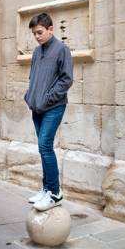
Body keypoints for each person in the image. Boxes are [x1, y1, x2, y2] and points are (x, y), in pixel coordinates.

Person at [23, 13, 73, 211]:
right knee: (42, 148)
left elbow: (66, 79)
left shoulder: (62, 49)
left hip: (53, 107)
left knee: (45, 146)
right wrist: (30, 97)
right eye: (34, 33)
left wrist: (47, 99)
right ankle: (46, 188)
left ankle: (54, 193)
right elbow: (33, 77)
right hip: (37, 108)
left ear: (50, 29)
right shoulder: (36, 52)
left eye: (40, 32)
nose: (37, 36)